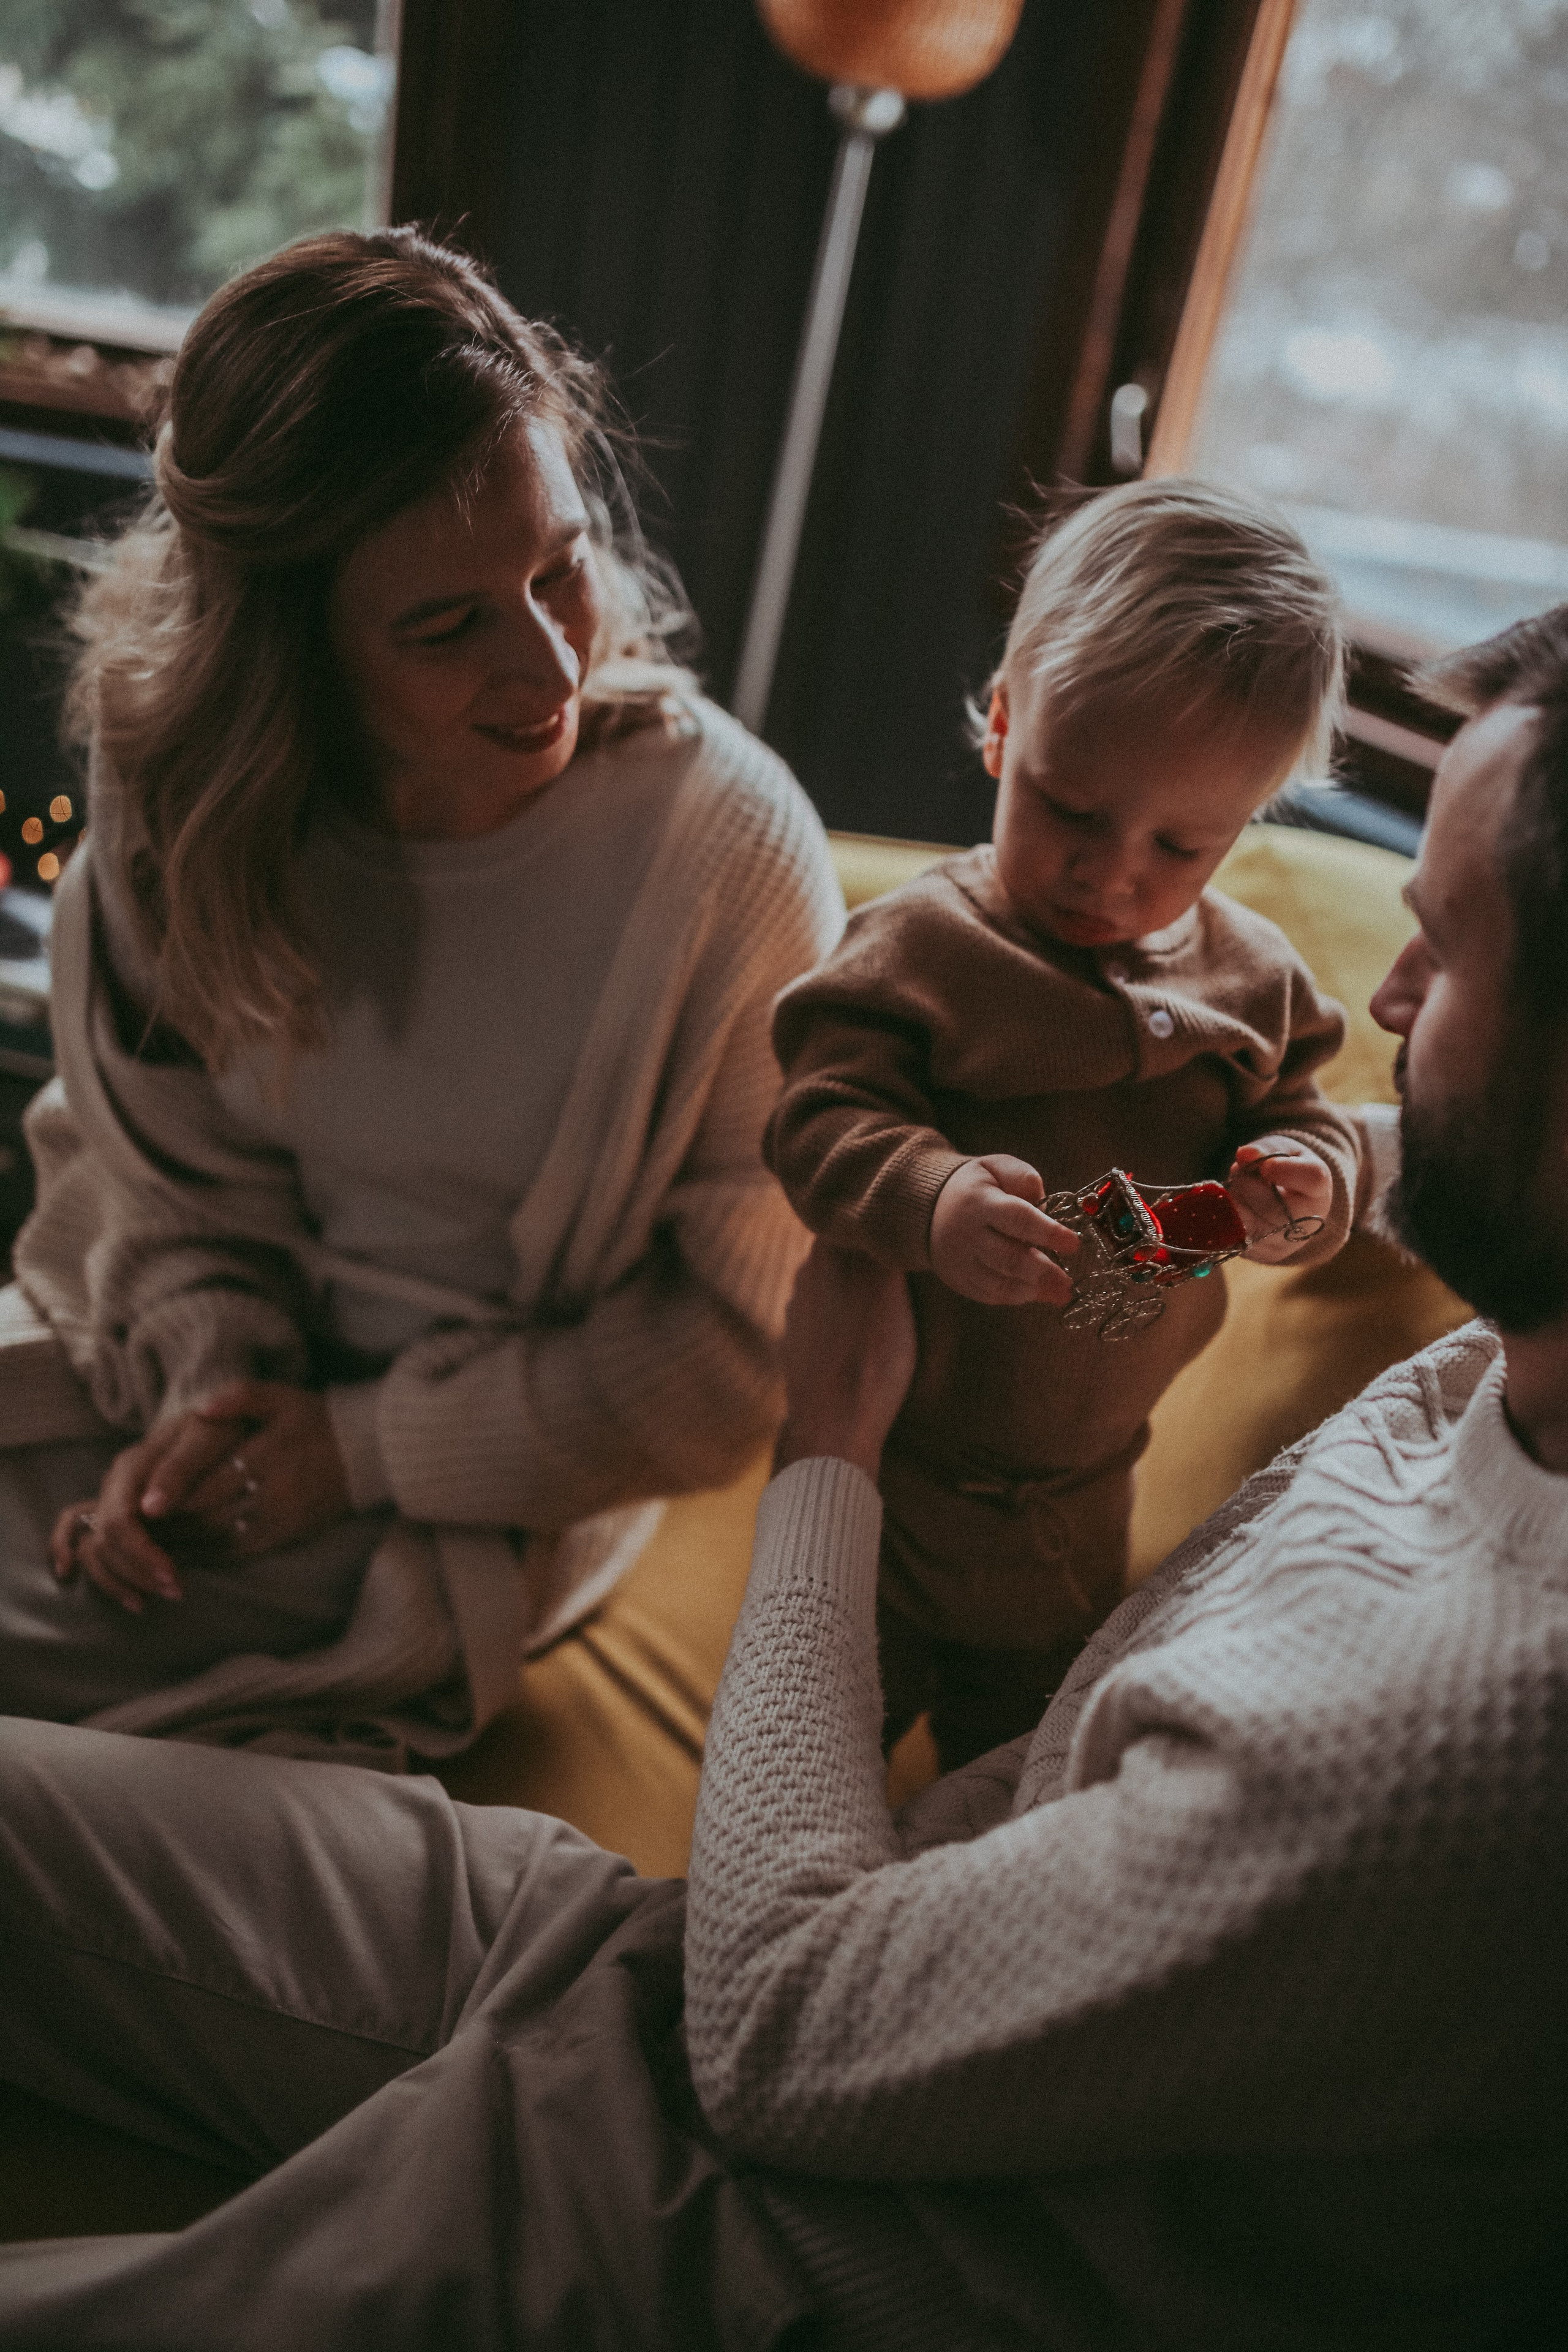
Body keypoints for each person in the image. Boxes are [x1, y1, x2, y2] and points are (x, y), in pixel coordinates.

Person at [2, 608, 1566, 2351]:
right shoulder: (1514, 1356)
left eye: (1443, 951)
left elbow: (778, 2045)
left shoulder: (1463, 1758)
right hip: (648, 1959)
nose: (1385, 1006)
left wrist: (830, 1452)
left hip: (747, 2230)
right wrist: (1280, 1174)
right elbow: (1375, 1131)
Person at [0, 227, 843, 1760]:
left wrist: (354, 1450)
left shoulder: (725, 857)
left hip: (476, 1482)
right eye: (444, 626)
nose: (545, 667)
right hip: (179, 1384)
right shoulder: (180, 796)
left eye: (559, 565)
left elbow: (738, 1351)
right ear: (288, 652)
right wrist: (214, 1401)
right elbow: (166, 1189)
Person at [764, 481, 1362, 1766]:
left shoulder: (1253, 985)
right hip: (887, 1485)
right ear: (999, 728)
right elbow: (818, 1117)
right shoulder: (918, 950)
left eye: (1178, 846)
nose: (1111, 874)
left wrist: (1300, 1183)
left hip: (1085, 1506)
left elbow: (1310, 1124)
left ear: (1239, 828)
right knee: (804, 1754)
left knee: (1021, 1797)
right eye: (1070, 810)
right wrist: (926, 1195)